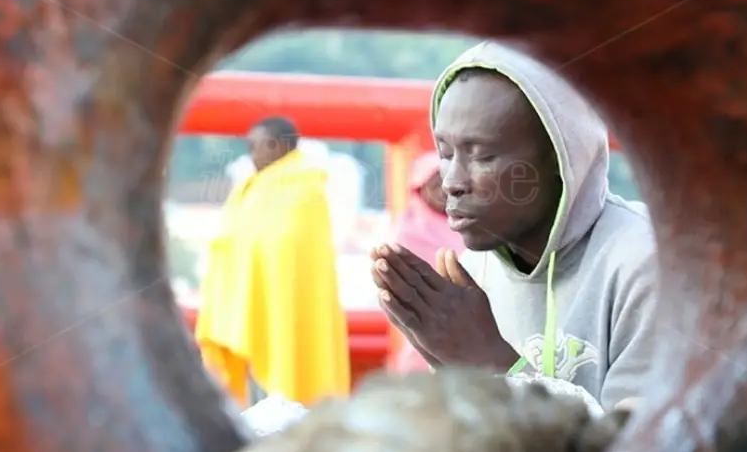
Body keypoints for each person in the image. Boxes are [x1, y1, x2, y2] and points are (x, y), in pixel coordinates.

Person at [371, 42, 661, 411]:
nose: (451, 183)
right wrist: (448, 360)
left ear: (560, 158)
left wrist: (494, 364)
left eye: (482, 156)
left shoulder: (647, 266)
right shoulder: (475, 272)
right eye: (445, 154)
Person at [196, 116, 351, 407]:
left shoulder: (305, 189)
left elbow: (289, 250)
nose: (251, 155)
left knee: (286, 388)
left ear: (276, 146)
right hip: (249, 310)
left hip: (287, 309)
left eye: (255, 147)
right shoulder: (253, 187)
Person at [387, 151, 465, 373]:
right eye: (434, 184)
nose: (443, 191)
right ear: (419, 188)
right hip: (423, 333)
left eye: (447, 184)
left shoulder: (472, 229)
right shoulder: (406, 234)